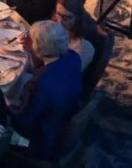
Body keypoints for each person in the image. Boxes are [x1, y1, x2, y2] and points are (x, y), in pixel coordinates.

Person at [11, 19, 88, 157]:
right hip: (62, 118)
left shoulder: (39, 83)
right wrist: (31, 50)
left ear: (39, 48)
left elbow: (23, 123)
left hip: (43, 141)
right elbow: (46, 67)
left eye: (31, 39)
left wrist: (4, 101)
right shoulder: (73, 57)